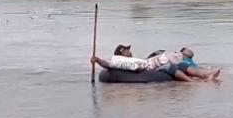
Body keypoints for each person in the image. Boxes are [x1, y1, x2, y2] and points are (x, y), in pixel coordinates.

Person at [91, 44, 219, 82]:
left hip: (150, 68)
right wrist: (97, 60)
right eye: (128, 50)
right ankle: (192, 83)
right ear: (122, 51)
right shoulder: (119, 62)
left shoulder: (134, 61)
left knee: (181, 65)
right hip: (151, 72)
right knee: (170, 66)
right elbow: (108, 65)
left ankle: (206, 75)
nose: (130, 52)